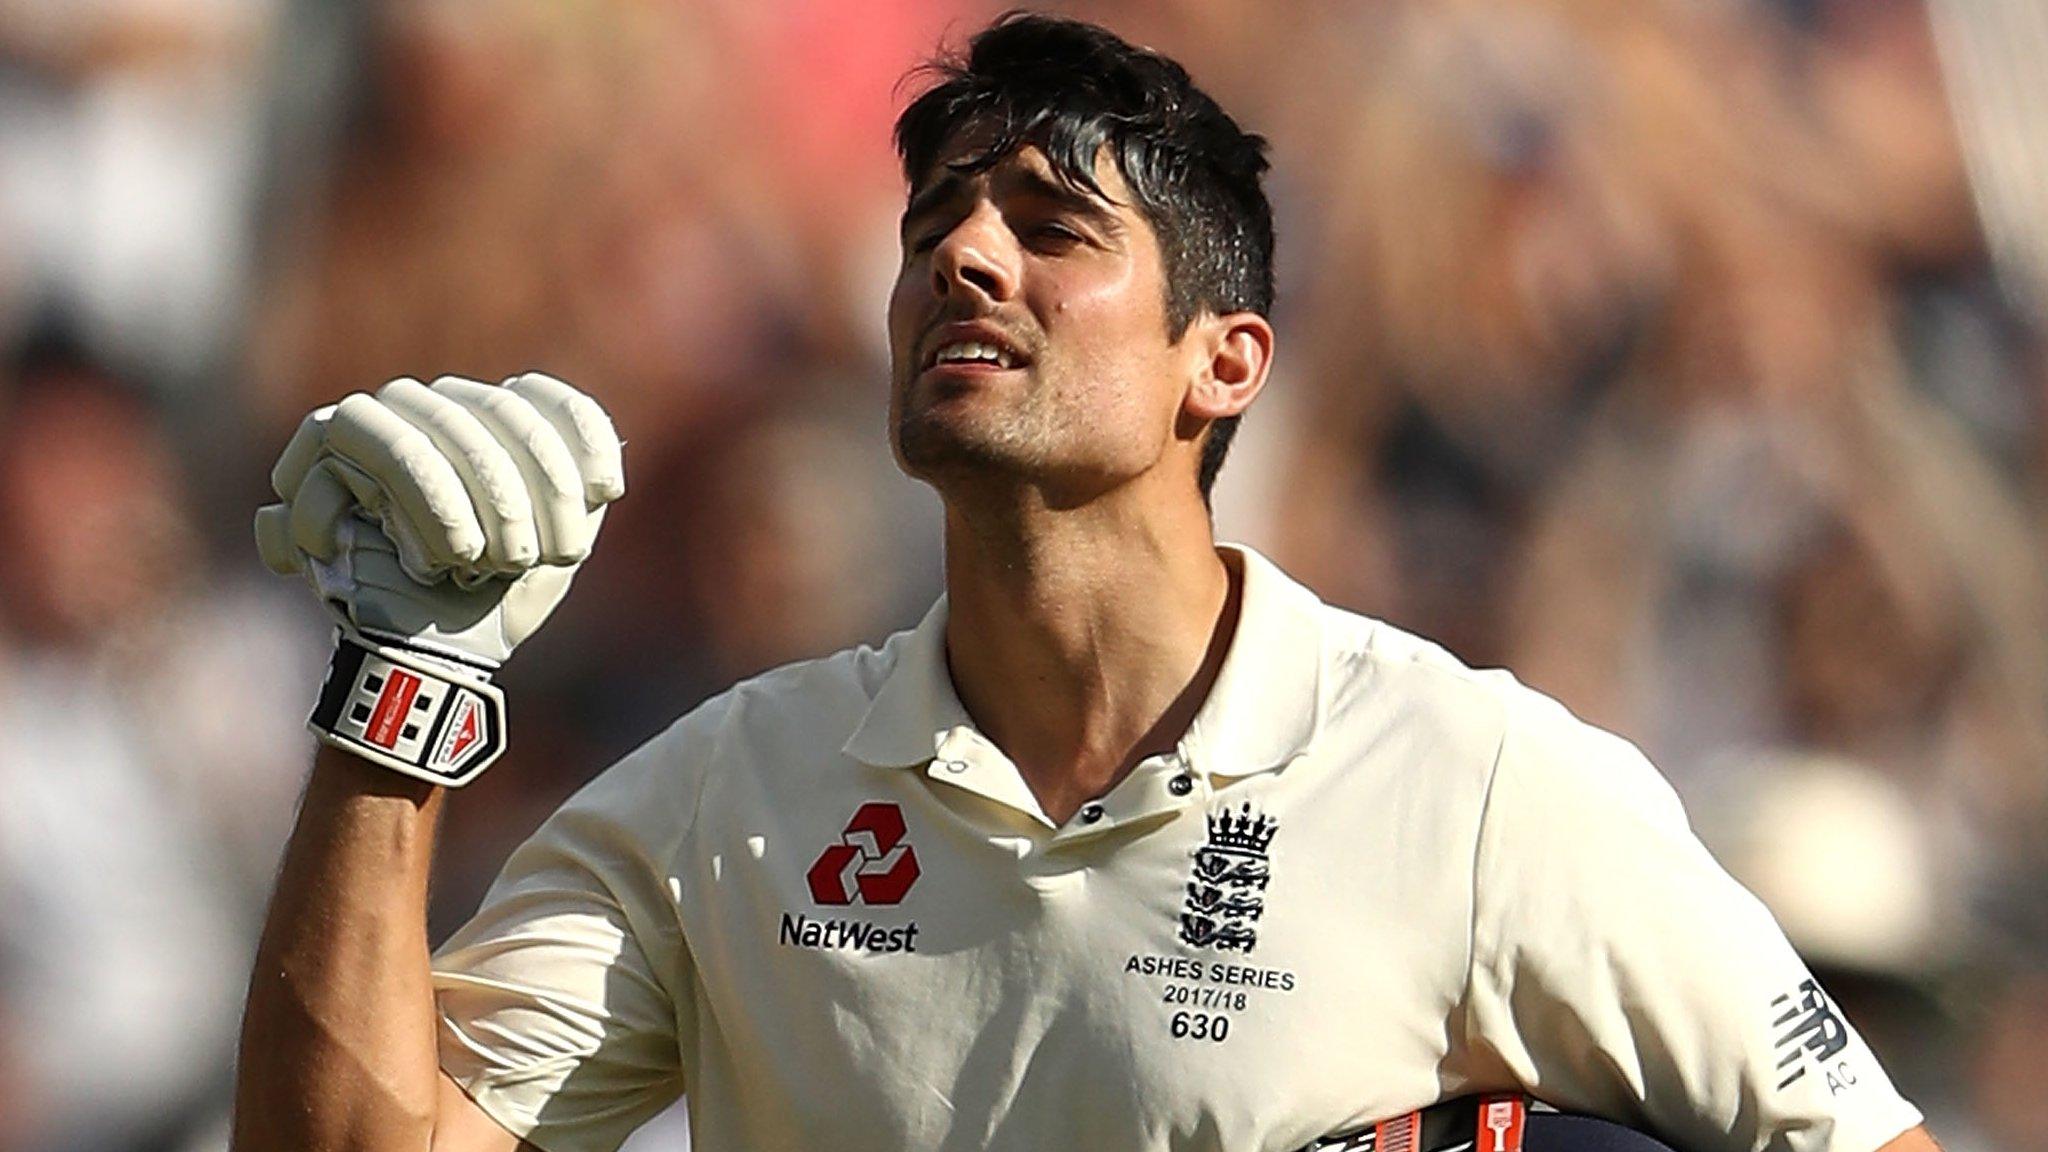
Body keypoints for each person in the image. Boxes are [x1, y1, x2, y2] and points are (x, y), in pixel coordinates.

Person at [231, 14, 1943, 1152]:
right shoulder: (735, 795)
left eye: (1053, 227)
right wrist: (403, 693)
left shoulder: (1477, 783)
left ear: (1227, 363)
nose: (963, 253)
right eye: (931, 232)